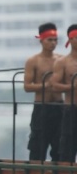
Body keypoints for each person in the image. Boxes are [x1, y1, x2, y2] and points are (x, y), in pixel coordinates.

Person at [24, 22, 63, 162]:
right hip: (42, 107)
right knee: (37, 147)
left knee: (60, 147)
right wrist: (46, 85)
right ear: (41, 40)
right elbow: (27, 86)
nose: (53, 43)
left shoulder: (61, 60)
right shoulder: (33, 61)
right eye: (50, 40)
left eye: (55, 40)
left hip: (59, 106)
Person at [52, 24, 77, 163]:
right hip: (71, 108)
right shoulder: (62, 62)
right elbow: (54, 85)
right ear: (71, 39)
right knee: (68, 147)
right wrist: (71, 86)